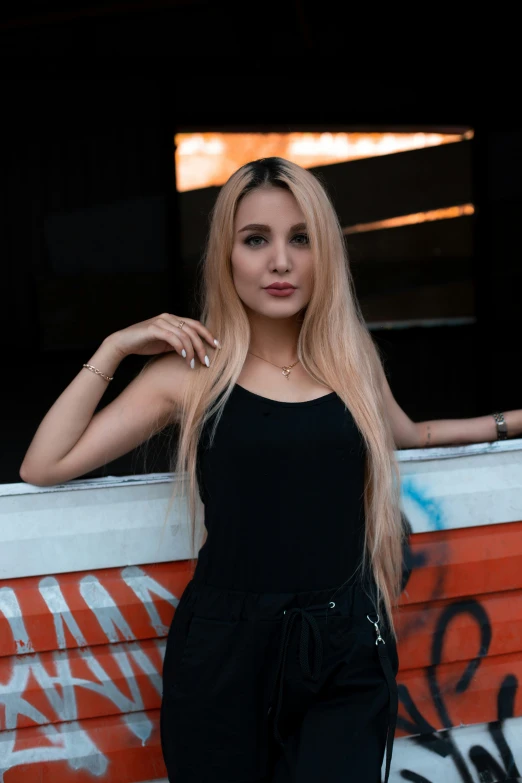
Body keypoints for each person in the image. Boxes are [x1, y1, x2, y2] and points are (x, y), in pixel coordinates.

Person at [19, 157, 521, 783]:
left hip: (345, 643)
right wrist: (114, 347)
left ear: (325, 255)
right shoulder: (189, 375)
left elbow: (410, 433)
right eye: (257, 240)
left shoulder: (349, 360)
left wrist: (508, 423)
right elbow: (44, 465)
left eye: (300, 239)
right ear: (227, 256)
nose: (280, 262)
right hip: (226, 653)